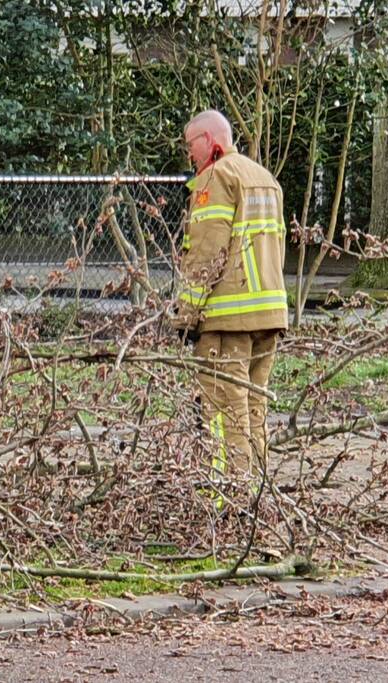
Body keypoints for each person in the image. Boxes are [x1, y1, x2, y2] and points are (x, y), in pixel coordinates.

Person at [171, 110, 288, 496]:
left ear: (209, 140)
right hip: (268, 314)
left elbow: (206, 252)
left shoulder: (215, 177)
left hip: (226, 319)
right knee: (255, 408)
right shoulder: (265, 178)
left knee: (225, 408)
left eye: (191, 145)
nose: (189, 154)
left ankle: (228, 495)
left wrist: (186, 314)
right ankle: (259, 495)